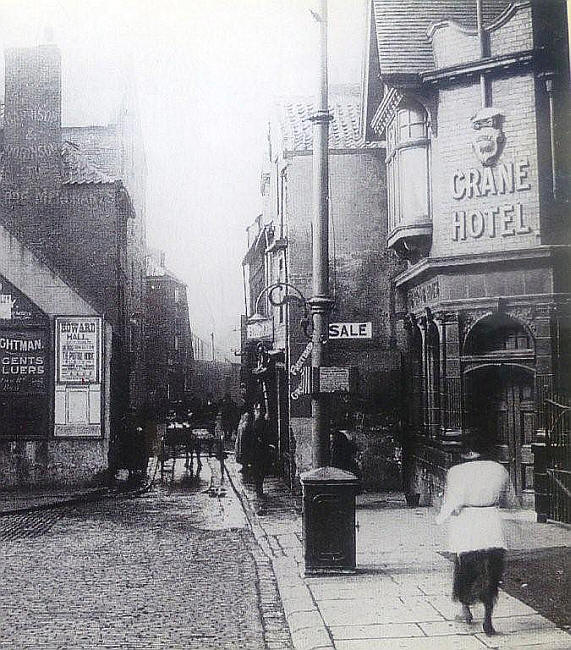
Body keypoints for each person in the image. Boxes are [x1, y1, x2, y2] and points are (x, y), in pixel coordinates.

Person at [436, 428, 513, 636]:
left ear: (467, 451)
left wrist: (441, 516)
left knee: (464, 566)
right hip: (491, 521)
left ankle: (466, 609)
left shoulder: (456, 472)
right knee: (492, 571)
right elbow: (506, 499)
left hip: (467, 522)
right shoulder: (500, 470)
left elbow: (453, 502)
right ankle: (488, 616)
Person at [250, 403, 272, 498]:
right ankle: (259, 489)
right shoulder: (258, 422)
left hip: (259, 450)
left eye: (257, 410)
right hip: (259, 451)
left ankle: (259, 489)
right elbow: (261, 436)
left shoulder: (259, 421)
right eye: (256, 410)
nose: (256, 412)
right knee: (260, 470)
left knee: (259, 470)